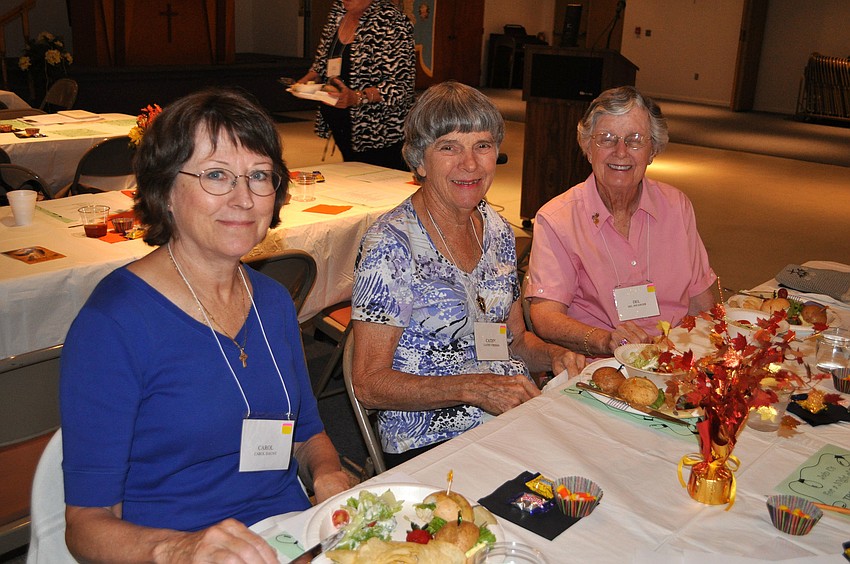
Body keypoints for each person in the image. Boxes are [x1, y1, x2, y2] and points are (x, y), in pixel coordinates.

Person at [60, 89, 351, 563]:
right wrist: (180, 549)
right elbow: (85, 524)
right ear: (165, 192)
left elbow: (306, 431)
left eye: (259, 175)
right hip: (175, 546)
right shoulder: (113, 324)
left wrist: (328, 473)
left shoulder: (273, 300)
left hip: (288, 535)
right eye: (216, 175)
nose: (244, 198)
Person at [350, 81, 585, 468]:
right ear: (419, 161)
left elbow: (514, 341)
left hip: (511, 417)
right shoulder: (391, 245)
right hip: (429, 437)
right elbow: (369, 383)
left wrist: (555, 354)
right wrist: (473, 388)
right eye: (449, 147)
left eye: (482, 145)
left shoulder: (498, 231)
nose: (470, 164)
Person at [526, 86, 717, 358]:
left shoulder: (677, 206)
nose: (621, 151)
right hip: (602, 365)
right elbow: (545, 316)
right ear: (587, 147)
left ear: (653, 150)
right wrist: (604, 341)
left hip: (674, 359)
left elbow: (702, 302)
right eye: (606, 139)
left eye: (635, 140)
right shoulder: (558, 219)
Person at [297, 0, 415, 171]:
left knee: (379, 181)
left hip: (378, 132)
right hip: (342, 124)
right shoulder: (338, 12)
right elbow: (323, 58)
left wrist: (357, 97)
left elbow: (401, 85)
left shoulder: (391, 21)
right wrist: (306, 81)